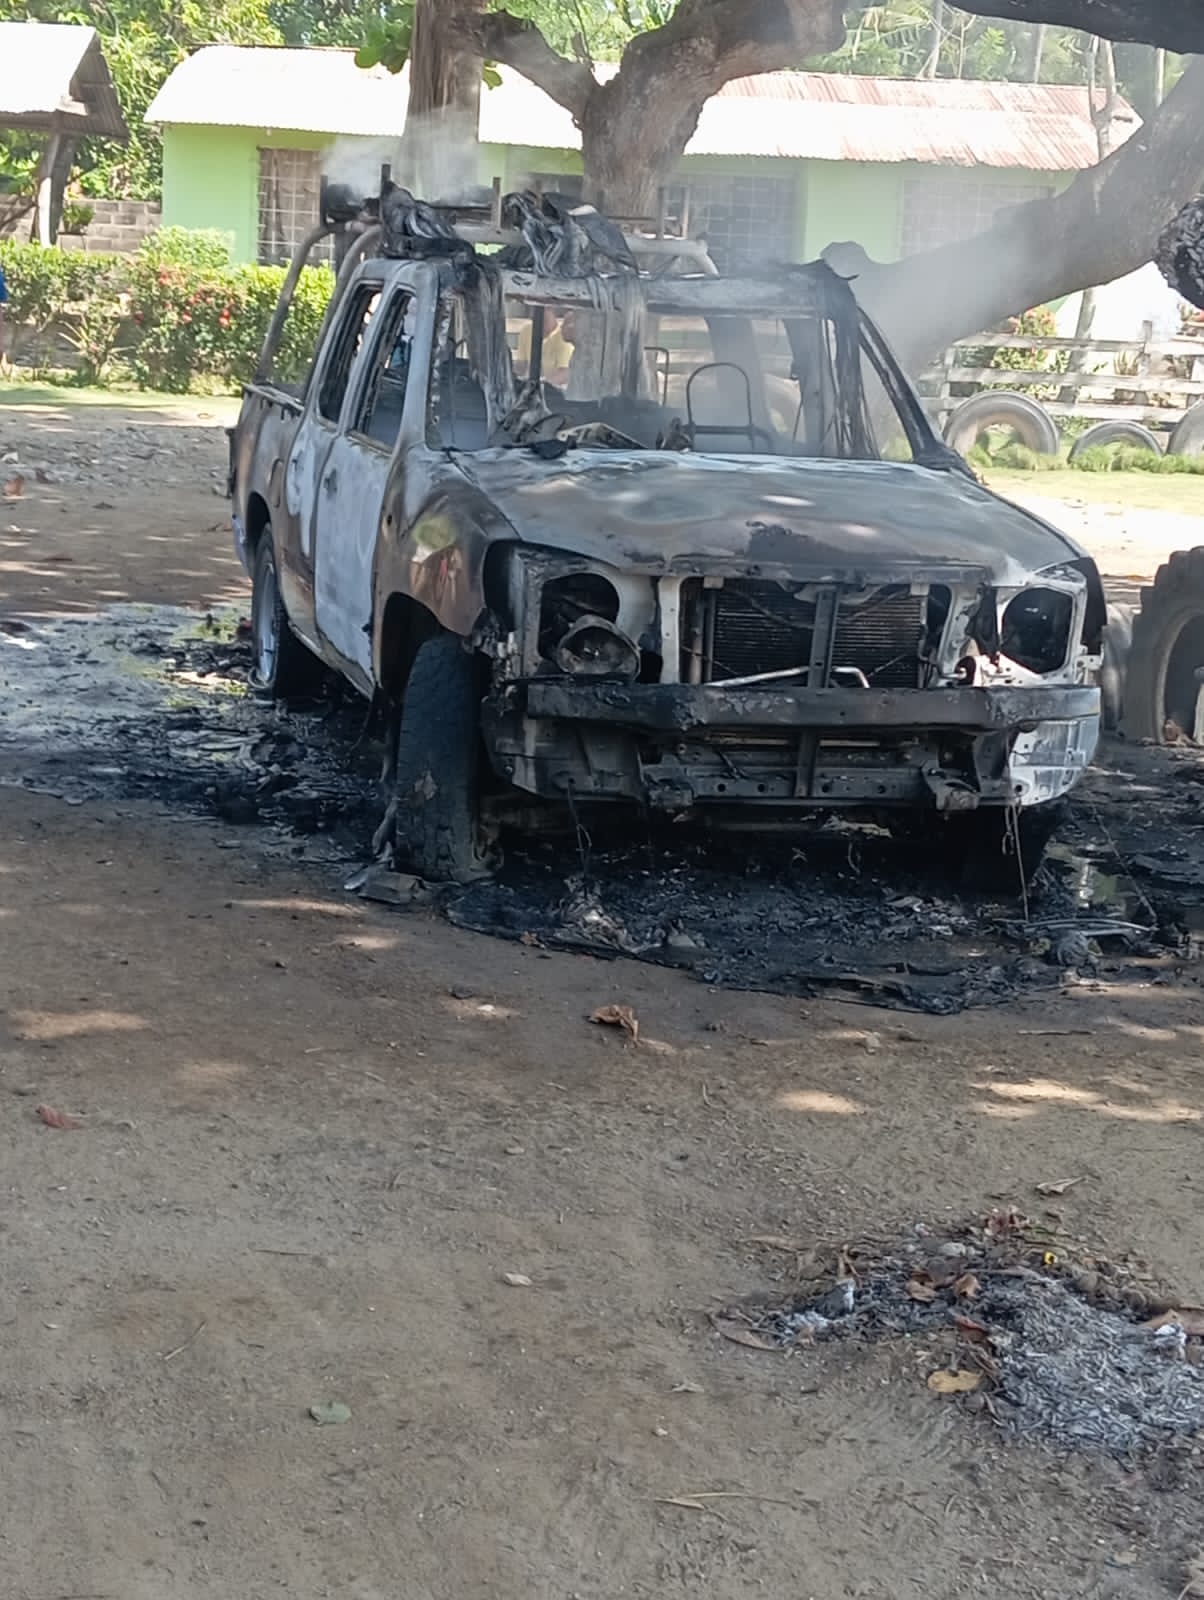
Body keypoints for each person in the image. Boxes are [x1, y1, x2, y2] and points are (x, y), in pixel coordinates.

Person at [516, 310, 576, 387]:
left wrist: (541, 385)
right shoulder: (526, 331)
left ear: (553, 312)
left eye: (544, 318)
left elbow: (564, 374)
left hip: (556, 389)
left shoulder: (563, 338)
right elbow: (521, 365)